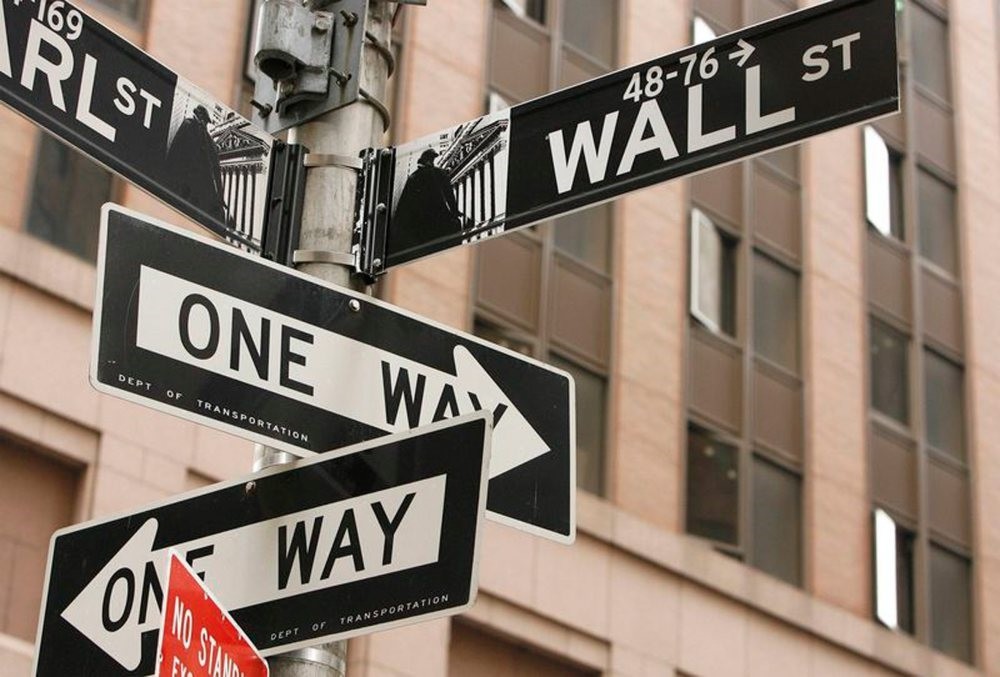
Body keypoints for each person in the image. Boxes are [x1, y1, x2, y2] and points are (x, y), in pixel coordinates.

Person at [389, 148, 463, 255]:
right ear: (431, 161)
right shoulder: (440, 174)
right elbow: (450, 196)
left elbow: (404, 205)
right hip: (440, 221)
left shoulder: (413, 177)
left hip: (421, 226)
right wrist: (455, 212)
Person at [164, 105, 229, 227]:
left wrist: (220, 196)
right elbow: (177, 154)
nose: (205, 124)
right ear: (200, 117)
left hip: (202, 190)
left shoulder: (208, 138)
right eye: (204, 121)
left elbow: (214, 168)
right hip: (189, 186)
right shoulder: (189, 125)